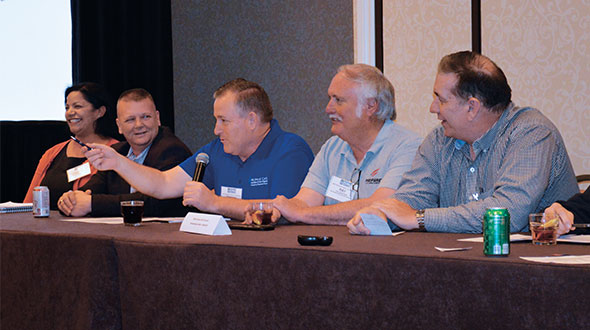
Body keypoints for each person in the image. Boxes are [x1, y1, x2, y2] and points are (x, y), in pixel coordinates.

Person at [348, 51, 579, 234]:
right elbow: (414, 196)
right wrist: (382, 214)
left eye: (441, 99)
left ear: (472, 107)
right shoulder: (441, 139)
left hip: (537, 271)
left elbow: (509, 212)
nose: (433, 108)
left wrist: (419, 218)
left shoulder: (531, 132)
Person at [82, 78, 314, 219]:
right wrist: (118, 162)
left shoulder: (290, 151)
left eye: (224, 121)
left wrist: (214, 203)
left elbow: (282, 212)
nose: (216, 130)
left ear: (251, 120)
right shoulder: (217, 150)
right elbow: (163, 184)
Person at [254, 64, 422, 225]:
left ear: (371, 106)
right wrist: (274, 211)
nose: (328, 109)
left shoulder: (408, 147)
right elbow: (303, 202)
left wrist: (302, 214)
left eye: (339, 100)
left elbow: (381, 206)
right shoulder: (332, 148)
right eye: (330, 99)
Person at [57, 88, 192, 217]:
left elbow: (155, 203)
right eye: (130, 120)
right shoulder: (117, 151)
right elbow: (93, 187)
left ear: (157, 118)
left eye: (146, 117)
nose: (139, 125)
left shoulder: (172, 149)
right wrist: (71, 199)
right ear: (119, 126)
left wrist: (92, 204)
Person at [24, 82, 119, 209]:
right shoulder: (53, 153)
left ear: (99, 112)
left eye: (77, 106)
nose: (70, 112)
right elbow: (29, 203)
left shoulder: (116, 151)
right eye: (67, 107)